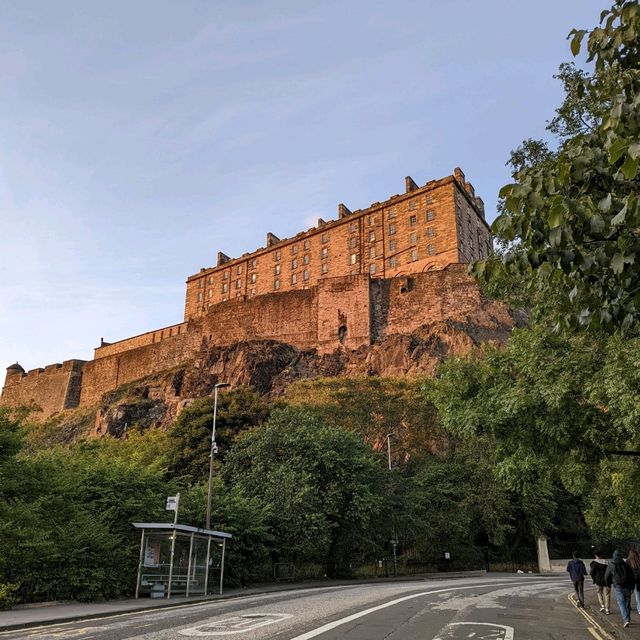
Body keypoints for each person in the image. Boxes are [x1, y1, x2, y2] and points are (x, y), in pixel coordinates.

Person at [605, 549, 635, 628]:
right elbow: (631, 576)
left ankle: (626, 620)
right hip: (628, 587)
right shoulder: (626, 564)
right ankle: (628, 618)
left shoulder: (611, 565)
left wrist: (608, 585)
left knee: (621, 603)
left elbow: (607, 576)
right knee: (627, 604)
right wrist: (632, 587)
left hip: (618, 586)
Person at [590, 550, 611, 614]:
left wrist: (594, 579)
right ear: (601, 555)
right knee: (607, 595)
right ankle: (607, 609)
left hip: (598, 581)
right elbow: (610, 572)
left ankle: (602, 605)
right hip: (606, 581)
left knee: (599, 593)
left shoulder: (593, 563)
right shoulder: (607, 563)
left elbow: (591, 573)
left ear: (595, 555)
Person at [627, 548, 640, 615]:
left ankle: (628, 606)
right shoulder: (638, 560)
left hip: (631, 580)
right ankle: (639, 609)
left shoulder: (628, 561)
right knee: (638, 595)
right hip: (638, 580)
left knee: (628, 594)